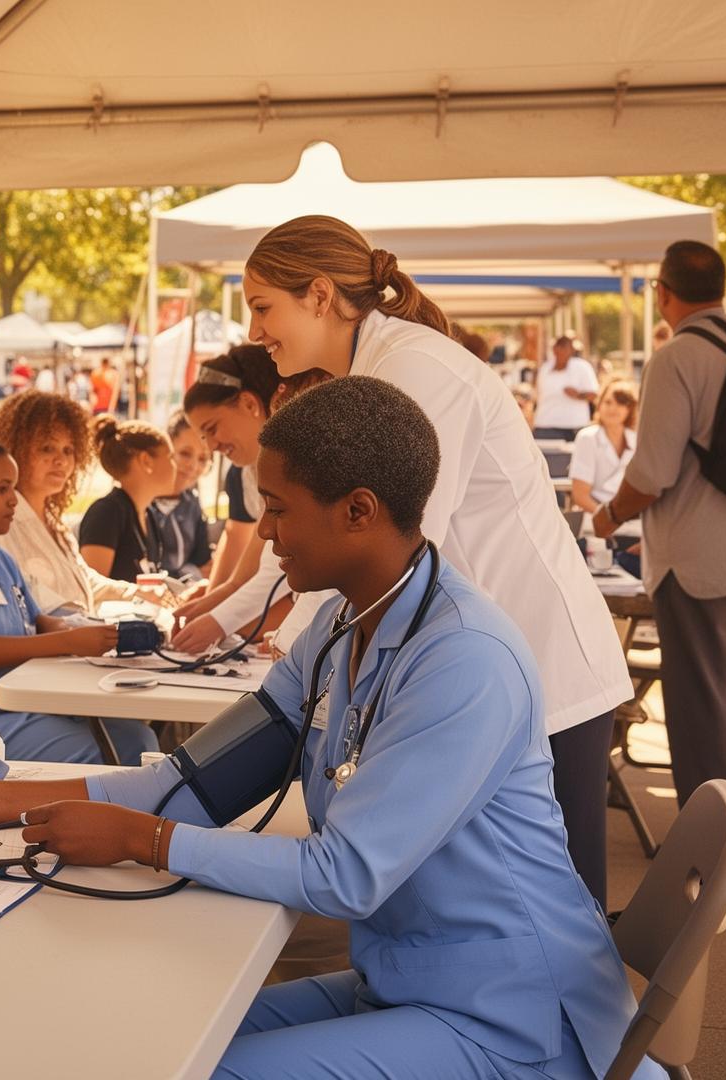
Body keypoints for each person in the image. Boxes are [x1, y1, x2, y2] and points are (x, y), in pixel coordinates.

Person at [0, 378, 652, 1080]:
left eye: (279, 508)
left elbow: (343, 875)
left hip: (513, 1017)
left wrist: (146, 841)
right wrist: (0, 800)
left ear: (358, 511)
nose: (264, 530)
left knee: (194, 1069)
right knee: (149, 1041)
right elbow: (192, 782)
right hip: (408, 978)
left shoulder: (465, 659)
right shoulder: (338, 628)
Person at [241, 213, 629, 907]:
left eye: (262, 308)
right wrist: (240, 628)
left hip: (545, 669)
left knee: (559, 914)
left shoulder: (414, 368)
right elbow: (318, 534)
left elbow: (391, 546)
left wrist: (296, 657)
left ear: (320, 295)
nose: (253, 331)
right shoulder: (377, 368)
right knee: (480, 911)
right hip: (485, 667)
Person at [596, 240, 726, 855]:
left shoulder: (676, 358)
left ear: (664, 293)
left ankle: (716, 843)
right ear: (722, 287)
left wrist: (608, 516)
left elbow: (651, 474)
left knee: (703, 700)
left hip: (699, 556)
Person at [0, 436, 158, 764]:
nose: (13, 501)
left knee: (133, 735)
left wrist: (90, 631)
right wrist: (68, 641)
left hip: (7, 706)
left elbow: (38, 622)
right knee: (117, 750)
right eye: (2, 489)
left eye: (13, 488)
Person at [168, 347, 296, 653]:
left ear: (249, 404)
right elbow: (250, 570)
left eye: (212, 429)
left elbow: (275, 572)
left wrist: (218, 620)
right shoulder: (251, 471)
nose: (211, 446)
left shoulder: (293, 462)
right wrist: (210, 604)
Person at [0, 391, 153, 617]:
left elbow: (82, 582)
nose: (61, 460)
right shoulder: (0, 526)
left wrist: (138, 592)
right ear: (14, 449)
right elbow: (23, 601)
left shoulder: (54, 522)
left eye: (68, 450)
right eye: (47, 448)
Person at [78, 417, 178, 582]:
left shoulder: (149, 514)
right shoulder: (106, 513)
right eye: (171, 457)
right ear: (146, 461)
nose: (176, 466)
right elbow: (92, 587)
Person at [569, 379, 641, 576]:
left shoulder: (637, 440)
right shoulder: (587, 438)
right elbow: (580, 495)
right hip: (597, 525)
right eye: (608, 402)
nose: (613, 408)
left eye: (620, 403)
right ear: (599, 405)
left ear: (630, 409)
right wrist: (609, 519)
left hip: (633, 527)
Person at [149, 411, 214, 582]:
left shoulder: (192, 504)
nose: (193, 466)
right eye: (185, 453)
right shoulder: (142, 502)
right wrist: (190, 573)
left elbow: (205, 566)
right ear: (166, 447)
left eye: (203, 459)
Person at [533, 334, 600, 440]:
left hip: (575, 428)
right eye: (561, 346)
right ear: (554, 349)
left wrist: (578, 395)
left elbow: (594, 394)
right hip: (545, 427)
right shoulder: (545, 369)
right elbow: (537, 396)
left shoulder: (582, 366)